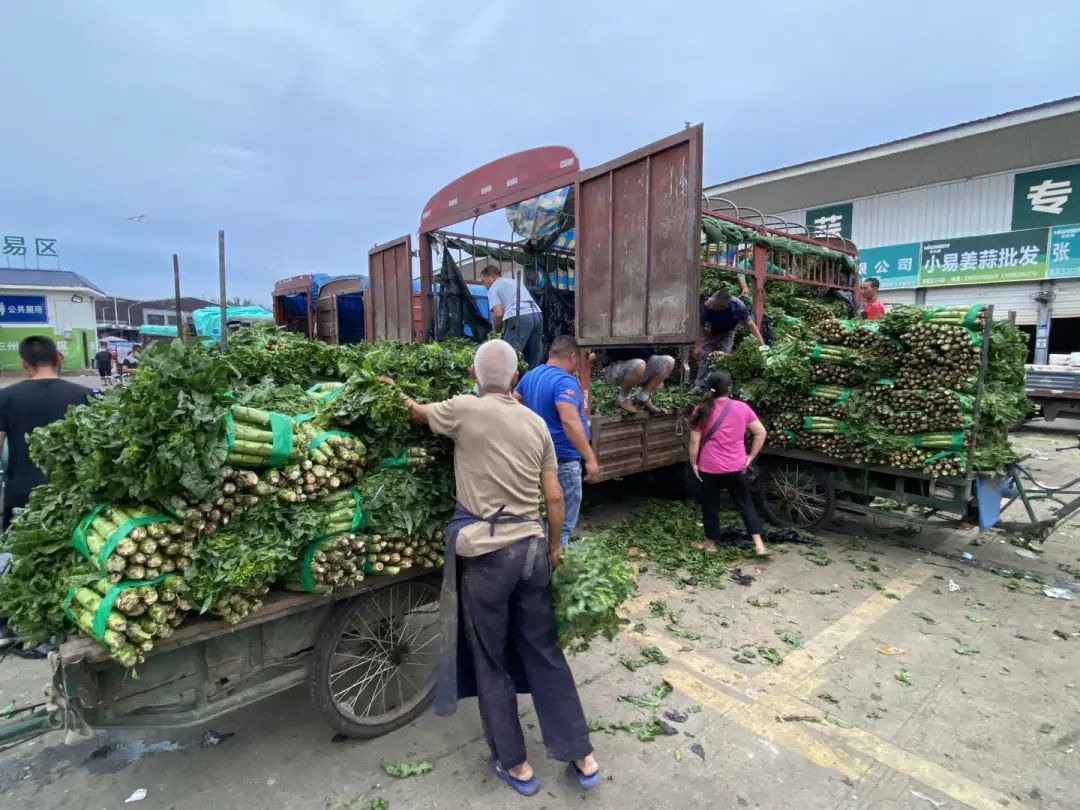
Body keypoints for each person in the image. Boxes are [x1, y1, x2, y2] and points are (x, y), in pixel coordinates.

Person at [395, 339, 601, 796]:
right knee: (544, 651)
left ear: (474, 373)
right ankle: (581, 754)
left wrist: (393, 391)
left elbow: (417, 413)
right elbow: (554, 498)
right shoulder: (536, 424)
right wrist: (552, 548)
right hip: (531, 551)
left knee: (490, 660)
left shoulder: (463, 409)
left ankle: (517, 765)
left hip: (487, 556)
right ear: (514, 379)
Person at [516, 335, 599, 548]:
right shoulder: (564, 381)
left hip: (534, 459)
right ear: (572, 356)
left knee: (541, 521)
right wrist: (590, 458)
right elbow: (569, 420)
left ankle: (537, 567)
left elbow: (513, 403)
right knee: (561, 524)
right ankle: (554, 569)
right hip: (562, 461)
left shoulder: (531, 376)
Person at [0, 336, 91, 529]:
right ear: (58, 359)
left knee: (20, 552)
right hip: (73, 494)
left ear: (24, 363)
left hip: (22, 495)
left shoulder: (5, 398)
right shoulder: (86, 395)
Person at [688, 370, 771, 558]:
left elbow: (694, 440)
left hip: (710, 468)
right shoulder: (742, 408)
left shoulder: (701, 409)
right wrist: (749, 457)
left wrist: (694, 462)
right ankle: (759, 545)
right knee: (746, 504)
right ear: (730, 388)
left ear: (709, 388)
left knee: (711, 505)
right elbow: (760, 432)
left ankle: (710, 544)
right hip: (737, 467)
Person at [695, 289, 764, 390]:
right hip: (711, 331)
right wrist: (698, 345)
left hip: (728, 331)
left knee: (724, 357)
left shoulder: (738, 306)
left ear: (725, 306)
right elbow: (700, 325)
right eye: (713, 304)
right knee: (704, 355)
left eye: (716, 306)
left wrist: (761, 344)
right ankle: (700, 384)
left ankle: (721, 386)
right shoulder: (708, 304)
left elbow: (751, 325)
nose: (713, 306)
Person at [480, 266, 543, 369]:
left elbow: (498, 313)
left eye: (484, 281)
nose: (484, 285)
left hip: (520, 317)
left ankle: (506, 384)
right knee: (532, 360)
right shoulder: (512, 282)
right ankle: (531, 383)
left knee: (508, 357)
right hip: (537, 315)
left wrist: (496, 330)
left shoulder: (494, 287)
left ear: (492, 276)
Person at [600, 347, 676, 415]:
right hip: (614, 368)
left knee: (669, 361)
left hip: (640, 364)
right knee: (639, 364)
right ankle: (623, 399)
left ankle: (643, 397)